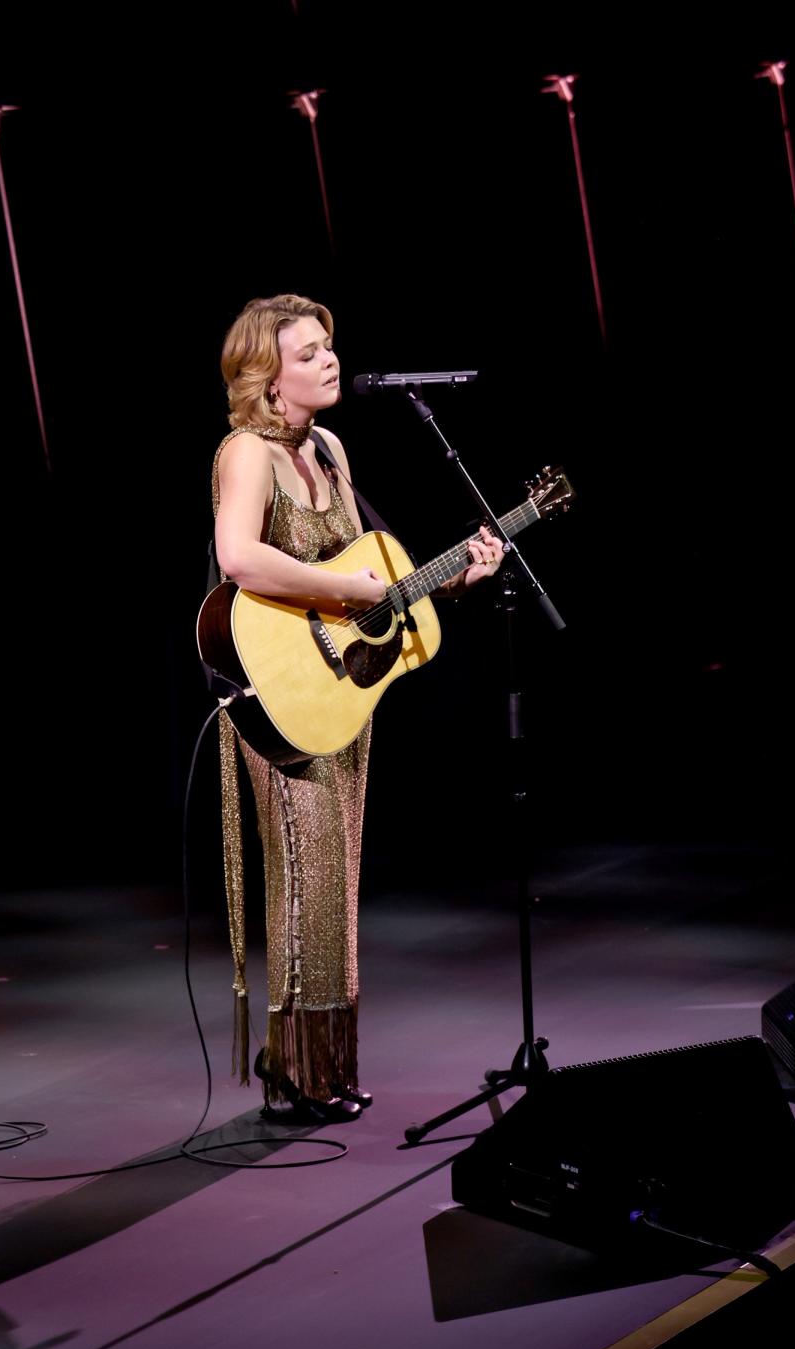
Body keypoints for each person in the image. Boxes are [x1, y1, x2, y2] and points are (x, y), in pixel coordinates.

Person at [211, 293, 503, 1123]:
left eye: (328, 347)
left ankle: (327, 1070)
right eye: (308, 355)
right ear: (268, 381)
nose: (329, 361)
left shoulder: (332, 449)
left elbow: (370, 574)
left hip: (337, 690)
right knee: (304, 875)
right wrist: (348, 589)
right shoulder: (246, 454)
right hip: (276, 692)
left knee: (335, 879)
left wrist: (452, 574)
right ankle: (289, 1072)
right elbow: (240, 557)